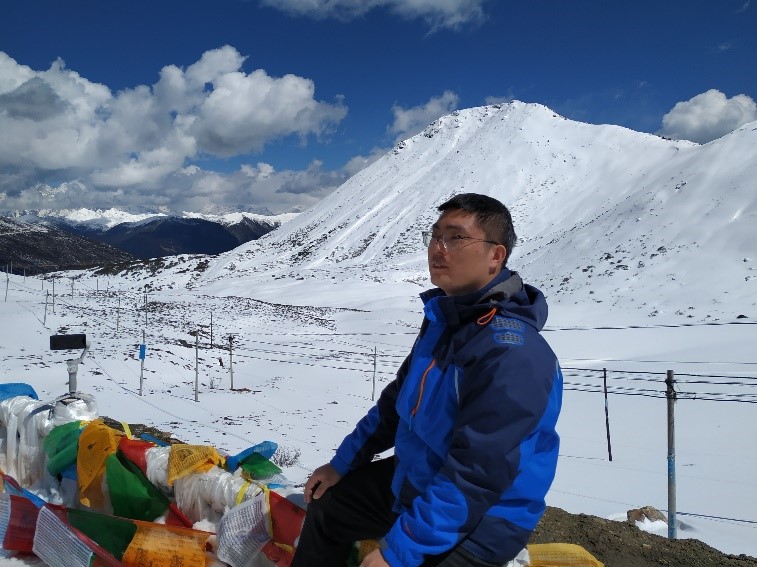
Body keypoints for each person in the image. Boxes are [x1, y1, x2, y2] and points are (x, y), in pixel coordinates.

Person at [291, 193, 563, 567]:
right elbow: (396, 403)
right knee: (327, 508)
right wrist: (342, 464)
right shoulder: (447, 320)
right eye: (435, 236)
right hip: (417, 479)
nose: (438, 248)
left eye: (455, 237)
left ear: (495, 256)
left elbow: (477, 475)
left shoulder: (511, 354)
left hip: (482, 520)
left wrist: (398, 553)